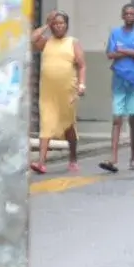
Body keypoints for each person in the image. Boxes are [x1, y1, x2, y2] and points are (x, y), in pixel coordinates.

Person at [30, 11, 86, 174]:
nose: (58, 26)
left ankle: (73, 158)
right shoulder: (46, 42)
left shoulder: (72, 43)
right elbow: (32, 39)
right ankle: (41, 162)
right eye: (56, 23)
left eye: (61, 23)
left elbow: (82, 65)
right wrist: (46, 24)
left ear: (67, 25)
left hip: (68, 91)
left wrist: (82, 84)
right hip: (48, 92)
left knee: (68, 125)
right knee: (46, 124)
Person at [101, 4, 134, 173]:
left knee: (133, 120)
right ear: (122, 16)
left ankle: (133, 158)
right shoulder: (115, 32)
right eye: (126, 13)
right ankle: (113, 158)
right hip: (119, 79)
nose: (129, 16)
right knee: (117, 119)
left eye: (132, 14)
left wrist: (123, 50)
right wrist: (132, 51)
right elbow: (110, 54)